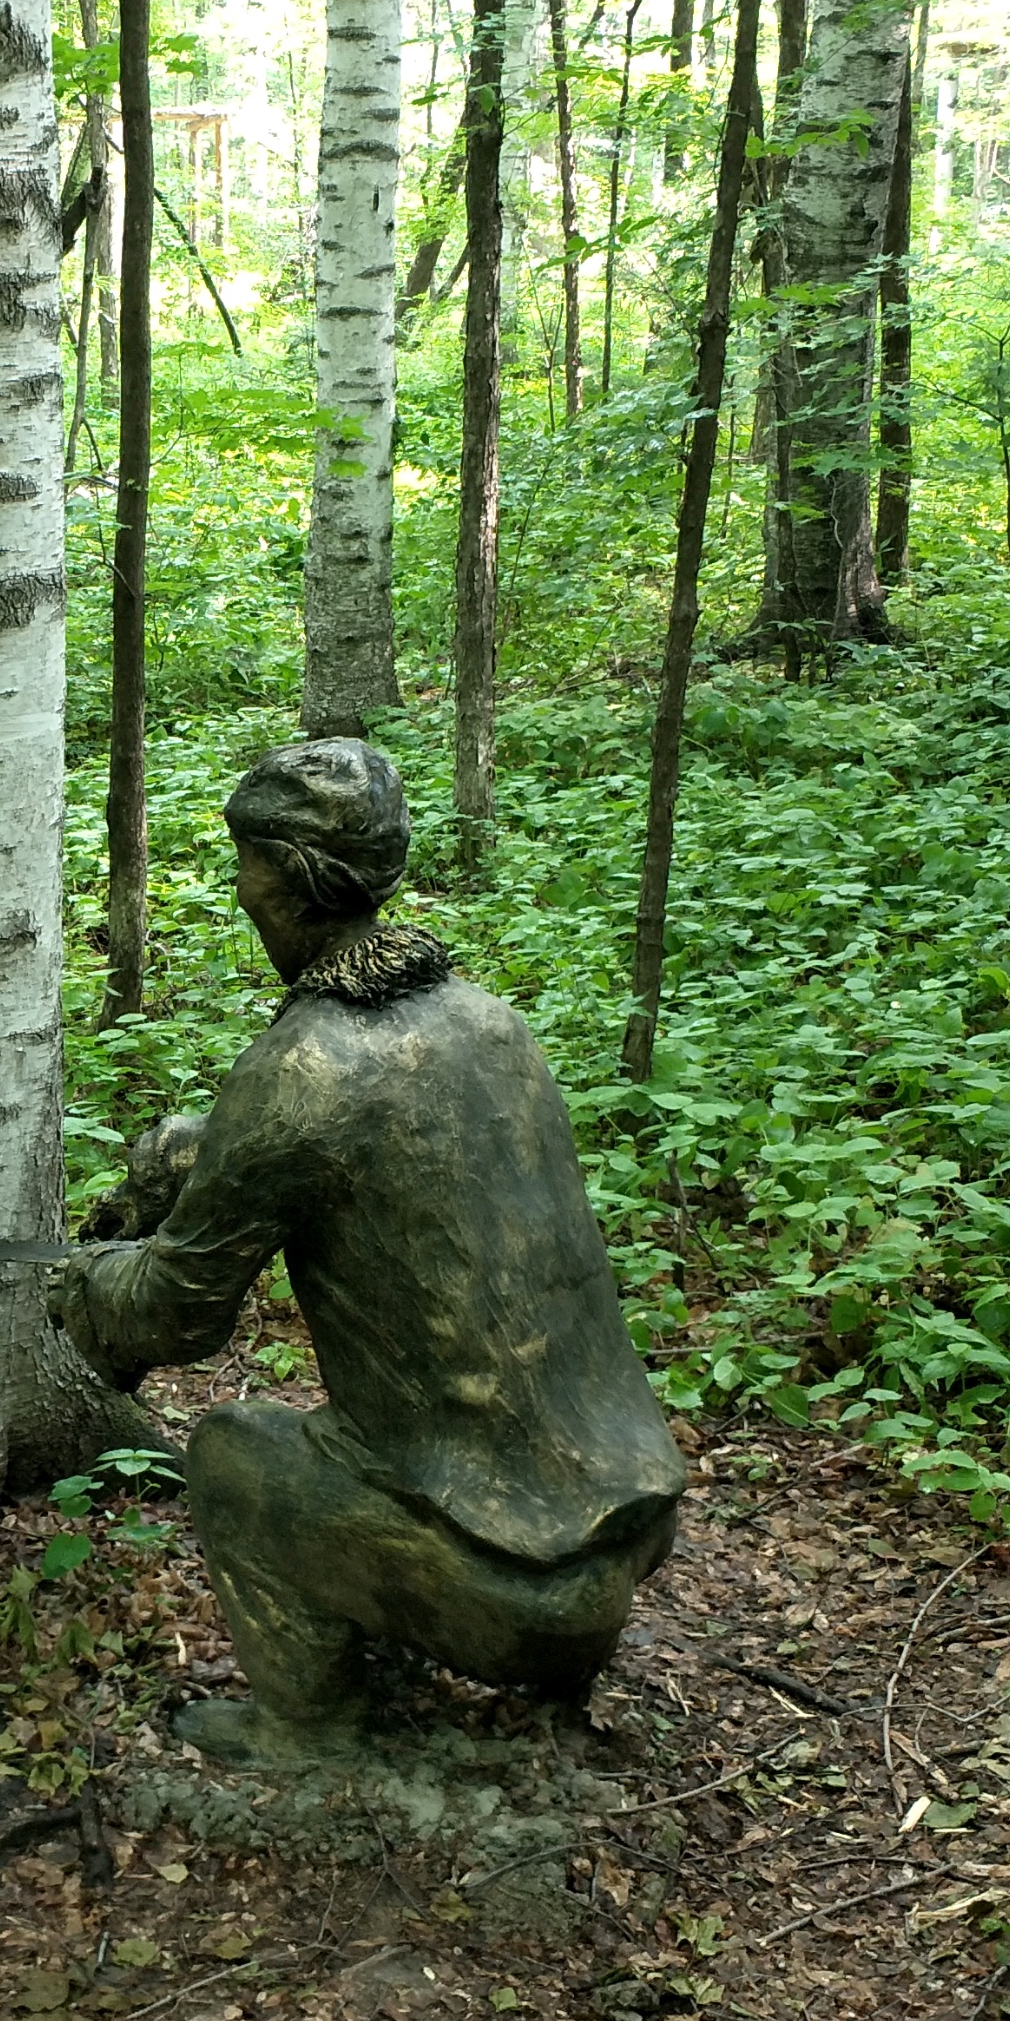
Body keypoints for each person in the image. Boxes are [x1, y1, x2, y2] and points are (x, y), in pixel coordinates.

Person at [59, 739, 685, 1757]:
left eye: (248, 862)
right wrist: (198, 1156)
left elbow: (177, 1311)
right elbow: (391, 1144)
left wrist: (80, 1282)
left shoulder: (303, 1069)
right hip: (627, 1530)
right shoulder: (488, 1024)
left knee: (228, 1455)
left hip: (515, 1592)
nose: (238, 884)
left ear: (290, 882)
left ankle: (310, 1731)